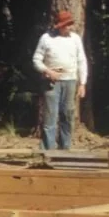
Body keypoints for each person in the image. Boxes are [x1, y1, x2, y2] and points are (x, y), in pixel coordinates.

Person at [31, 10, 88, 151]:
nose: (69, 27)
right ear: (59, 26)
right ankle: (47, 151)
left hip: (70, 80)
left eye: (70, 25)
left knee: (67, 115)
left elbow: (82, 60)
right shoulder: (46, 38)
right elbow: (36, 60)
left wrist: (82, 83)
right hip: (51, 82)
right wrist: (48, 71)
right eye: (66, 25)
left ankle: (65, 148)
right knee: (50, 116)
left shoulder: (75, 39)